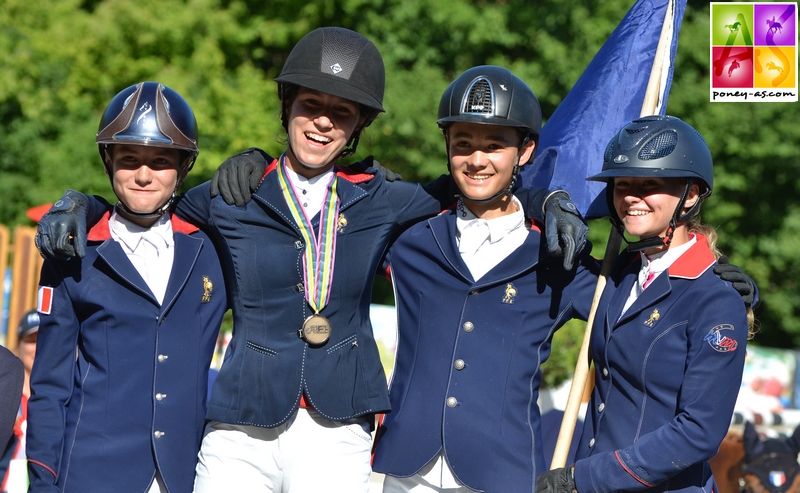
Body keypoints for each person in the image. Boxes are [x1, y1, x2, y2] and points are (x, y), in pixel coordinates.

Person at [33, 28, 590, 492]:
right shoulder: (233, 194)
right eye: (311, 105)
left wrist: (553, 200)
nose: (323, 121)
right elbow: (144, 198)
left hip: (338, 425)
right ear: (287, 108)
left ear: (357, 128)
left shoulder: (384, 197)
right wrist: (76, 205)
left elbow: (475, 182)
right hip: (240, 427)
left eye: (341, 113)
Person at [370, 65, 600, 493]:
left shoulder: (556, 258)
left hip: (503, 473)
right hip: (405, 471)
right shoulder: (408, 241)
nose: (477, 160)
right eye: (463, 145)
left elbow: (645, 296)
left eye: (494, 146)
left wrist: (713, 270)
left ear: (525, 151)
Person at [25, 82, 228, 493]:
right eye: (129, 159)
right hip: (92, 473)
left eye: (160, 161)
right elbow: (50, 385)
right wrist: (42, 480)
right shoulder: (73, 252)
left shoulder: (212, 250)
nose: (143, 175)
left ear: (184, 167)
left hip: (184, 474)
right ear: (108, 160)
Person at [536, 116, 752, 493]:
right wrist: (544, 200)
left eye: (650, 184)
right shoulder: (615, 277)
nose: (631, 197)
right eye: (623, 184)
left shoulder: (715, 299)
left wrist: (584, 478)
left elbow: (699, 432)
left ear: (690, 194)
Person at [0, 309, 39, 492]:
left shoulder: (60, 402)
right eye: (31, 339)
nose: (37, 347)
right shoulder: (5, 390)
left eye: (43, 339)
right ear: (19, 343)